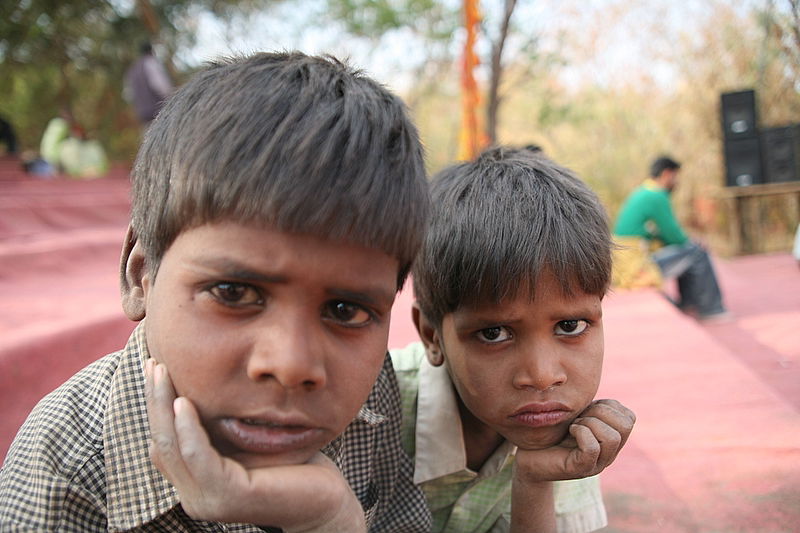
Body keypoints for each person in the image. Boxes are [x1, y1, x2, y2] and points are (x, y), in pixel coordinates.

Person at [0, 51, 432, 532]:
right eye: (232, 292)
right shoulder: (66, 470)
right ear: (140, 274)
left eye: (345, 310)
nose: (290, 365)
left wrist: (333, 520)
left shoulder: (371, 394)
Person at [390, 146, 635, 532]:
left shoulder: (572, 434)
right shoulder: (368, 412)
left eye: (570, 326)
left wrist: (534, 481)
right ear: (431, 335)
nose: (542, 376)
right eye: (494, 333)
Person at [613, 155, 729, 320]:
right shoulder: (656, 195)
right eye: (676, 177)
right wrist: (693, 240)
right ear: (667, 174)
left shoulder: (643, 192)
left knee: (687, 251)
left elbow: (660, 235)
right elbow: (675, 236)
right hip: (637, 267)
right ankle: (712, 309)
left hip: (627, 263)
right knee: (696, 252)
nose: (677, 182)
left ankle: (689, 303)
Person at [124, 41, 174, 126]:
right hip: (159, 112)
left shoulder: (132, 70)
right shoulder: (151, 63)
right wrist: (172, 99)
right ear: (151, 50)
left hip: (143, 116)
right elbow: (161, 86)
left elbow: (129, 95)